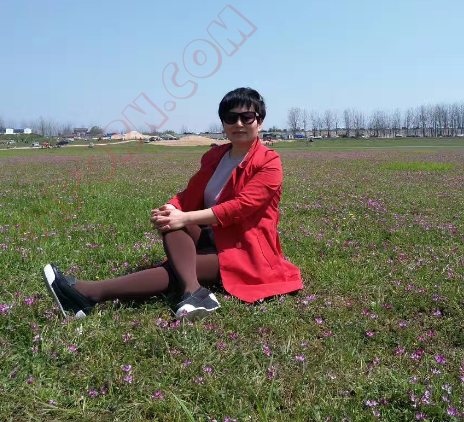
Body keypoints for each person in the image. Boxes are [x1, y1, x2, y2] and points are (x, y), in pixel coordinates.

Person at [42, 87, 303, 320]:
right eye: (230, 117)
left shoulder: (269, 162)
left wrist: (185, 217)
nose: (238, 123)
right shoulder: (216, 156)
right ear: (223, 121)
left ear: (260, 121)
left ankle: (87, 294)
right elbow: (189, 194)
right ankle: (194, 291)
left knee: (176, 268)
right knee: (171, 221)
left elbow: (241, 207)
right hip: (209, 238)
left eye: (247, 117)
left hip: (243, 249)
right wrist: (171, 208)